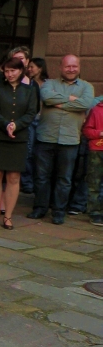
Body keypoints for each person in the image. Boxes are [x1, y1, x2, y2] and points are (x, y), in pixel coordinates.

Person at [29, 54, 95, 224]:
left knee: (64, 179)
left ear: (79, 67)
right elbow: (46, 97)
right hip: (46, 137)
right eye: (67, 66)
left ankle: (58, 212)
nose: (71, 69)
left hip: (70, 140)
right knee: (41, 177)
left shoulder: (87, 87)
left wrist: (58, 102)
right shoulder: (49, 84)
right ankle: (40, 208)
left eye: (74, 66)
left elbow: (85, 104)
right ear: (60, 67)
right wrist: (71, 100)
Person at [0, 57, 38, 230]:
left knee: (14, 177)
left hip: (18, 138)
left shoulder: (30, 91)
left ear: (21, 71)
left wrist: (16, 125)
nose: (9, 74)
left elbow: (31, 113)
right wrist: (6, 124)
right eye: (6, 71)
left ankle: (8, 215)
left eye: (13, 70)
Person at [20, 57, 48, 195]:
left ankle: (38, 182)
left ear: (40, 68)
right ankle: (27, 182)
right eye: (28, 67)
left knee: (40, 153)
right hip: (31, 120)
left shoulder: (48, 84)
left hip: (44, 121)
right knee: (28, 152)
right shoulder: (27, 83)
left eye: (32, 67)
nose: (29, 69)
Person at [82, 96, 103, 226]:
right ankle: (95, 212)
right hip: (97, 150)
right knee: (94, 182)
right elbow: (87, 130)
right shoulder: (96, 110)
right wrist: (100, 133)